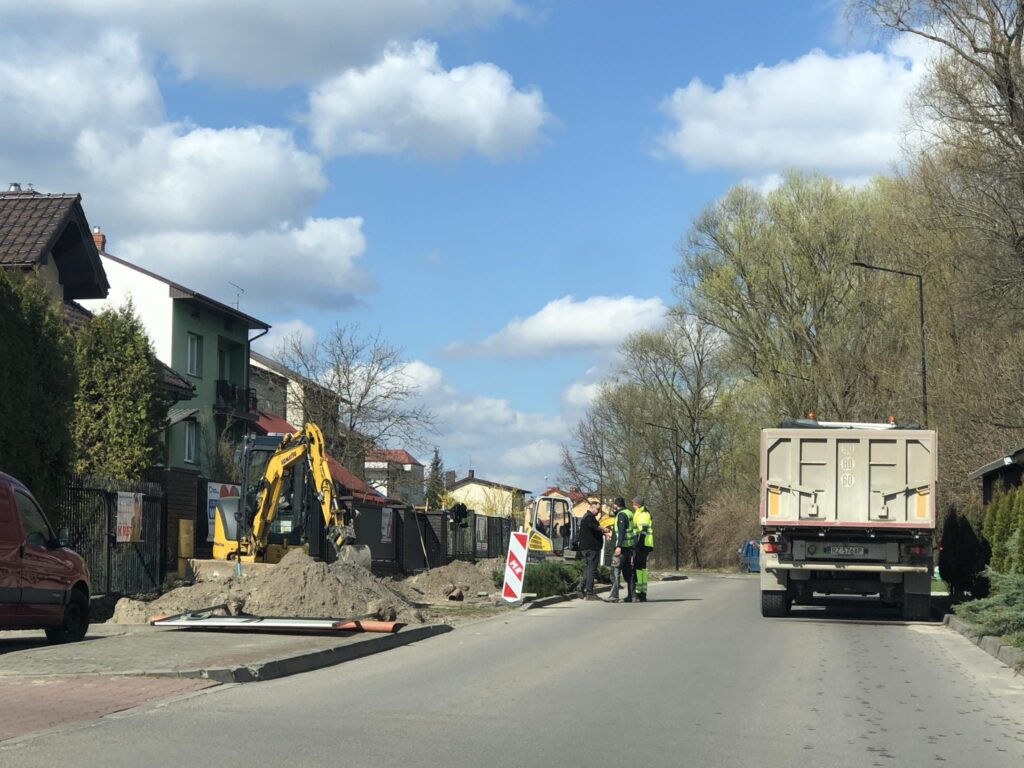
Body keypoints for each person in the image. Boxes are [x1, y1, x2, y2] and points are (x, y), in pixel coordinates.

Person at [576, 499, 607, 600]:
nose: (598, 511)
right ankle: (590, 592)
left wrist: (603, 532)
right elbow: (595, 527)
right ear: (592, 507)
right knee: (592, 569)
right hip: (591, 547)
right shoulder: (589, 517)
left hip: (588, 547)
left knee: (589, 568)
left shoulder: (588, 517)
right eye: (597, 509)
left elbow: (594, 529)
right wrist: (604, 529)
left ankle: (580, 587)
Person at [607, 497, 636, 603]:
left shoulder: (621, 515)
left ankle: (614, 595)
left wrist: (618, 546)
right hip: (629, 547)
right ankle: (632, 596)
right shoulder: (629, 513)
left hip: (621, 548)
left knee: (615, 571)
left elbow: (622, 531)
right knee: (629, 572)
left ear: (616, 505)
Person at [632, 496, 654, 602]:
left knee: (639, 568)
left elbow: (643, 531)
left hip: (643, 544)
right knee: (641, 568)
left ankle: (639, 592)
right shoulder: (639, 513)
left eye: (634, 504)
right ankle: (641, 592)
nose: (633, 506)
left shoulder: (644, 514)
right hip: (643, 544)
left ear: (638, 505)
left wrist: (638, 544)